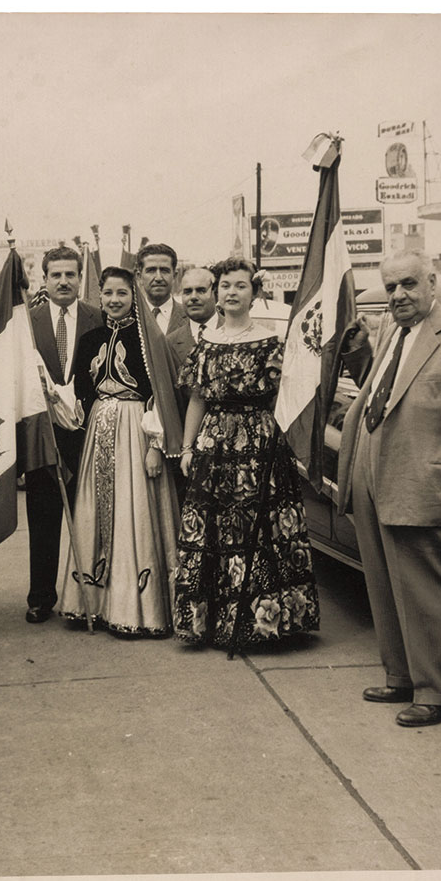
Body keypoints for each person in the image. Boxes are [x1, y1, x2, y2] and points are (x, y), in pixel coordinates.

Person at [337, 249, 441, 727]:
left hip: (427, 481)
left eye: (408, 285)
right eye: (391, 287)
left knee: (430, 591)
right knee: (383, 585)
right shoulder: (393, 333)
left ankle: (439, 692)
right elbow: (386, 397)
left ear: (431, 283)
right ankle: (400, 676)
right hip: (377, 475)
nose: (398, 295)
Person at [173, 257, 320, 650]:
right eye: (225, 286)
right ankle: (213, 623)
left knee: (261, 531)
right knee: (215, 532)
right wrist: (188, 447)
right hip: (214, 446)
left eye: (240, 285)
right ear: (217, 294)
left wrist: (281, 446)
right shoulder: (206, 345)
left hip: (259, 446)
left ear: (254, 293)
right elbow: (197, 400)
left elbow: (284, 401)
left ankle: (262, 625)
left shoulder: (272, 344)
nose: (231, 292)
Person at [57, 266, 183, 636]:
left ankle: (136, 609)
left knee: (135, 512)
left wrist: (156, 447)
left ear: (134, 296)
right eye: (108, 294)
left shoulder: (150, 341)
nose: (114, 300)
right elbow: (80, 393)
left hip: (136, 432)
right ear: (100, 296)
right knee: (95, 508)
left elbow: (161, 396)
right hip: (98, 432)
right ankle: (92, 604)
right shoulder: (90, 338)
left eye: (122, 294)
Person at [22, 247, 104, 623]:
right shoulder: (26, 321)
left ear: (80, 279)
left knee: (90, 519)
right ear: (44, 280)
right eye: (56, 275)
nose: (64, 282)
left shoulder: (99, 318)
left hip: (88, 436)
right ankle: (40, 597)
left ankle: (91, 594)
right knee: (43, 519)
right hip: (44, 436)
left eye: (71, 275)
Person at [167, 266, 222, 373]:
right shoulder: (169, 342)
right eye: (187, 292)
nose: (193, 297)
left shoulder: (235, 332)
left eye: (201, 291)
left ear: (215, 293)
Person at [135, 242, 187, 335]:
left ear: (174, 276)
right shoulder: (130, 317)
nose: (158, 278)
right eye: (151, 270)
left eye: (164, 270)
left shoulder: (191, 317)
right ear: (139, 277)